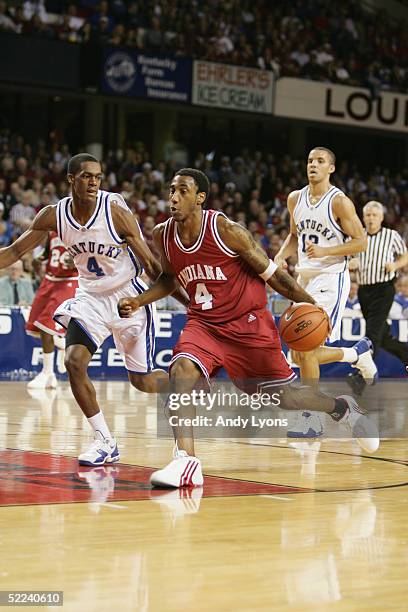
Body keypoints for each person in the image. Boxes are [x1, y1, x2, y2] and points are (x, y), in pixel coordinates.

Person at [118, 168, 379, 488]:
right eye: (172, 190)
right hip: (205, 324)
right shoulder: (163, 234)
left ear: (200, 198)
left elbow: (275, 277)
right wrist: (140, 299)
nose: (173, 197)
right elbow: (169, 279)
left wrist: (310, 305)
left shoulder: (227, 231)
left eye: (183, 191)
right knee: (182, 371)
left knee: (287, 399)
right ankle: (186, 462)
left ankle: (341, 408)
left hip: (249, 326)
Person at [0, 153, 187, 466]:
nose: (93, 182)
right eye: (86, 176)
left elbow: (153, 266)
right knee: (73, 361)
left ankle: (185, 389)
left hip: (129, 295)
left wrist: (190, 305)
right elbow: (16, 251)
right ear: (71, 179)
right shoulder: (54, 214)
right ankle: (105, 441)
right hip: (90, 298)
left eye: (98, 177)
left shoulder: (114, 210)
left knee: (142, 382)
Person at [274, 147, 377, 438]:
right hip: (303, 278)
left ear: (331, 168)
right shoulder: (295, 198)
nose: (313, 166)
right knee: (297, 353)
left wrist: (326, 251)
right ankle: (355, 354)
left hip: (332, 277)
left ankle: (311, 417)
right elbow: (294, 236)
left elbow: (361, 243)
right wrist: (280, 257)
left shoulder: (339, 202)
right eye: (309, 161)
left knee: (305, 350)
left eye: (320, 161)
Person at [348, 201, 408, 393]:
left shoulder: (391, 235)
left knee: (373, 331)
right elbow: (348, 260)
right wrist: (352, 262)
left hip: (384, 288)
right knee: (382, 334)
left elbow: (405, 256)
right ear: (363, 217)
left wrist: (396, 266)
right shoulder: (358, 237)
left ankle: (361, 377)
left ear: (381, 217)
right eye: (368, 215)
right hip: (364, 289)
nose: (371, 218)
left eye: (375, 215)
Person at [26, 231, 79, 389]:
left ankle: (47, 373)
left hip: (69, 281)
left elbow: (94, 259)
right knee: (35, 326)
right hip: (49, 280)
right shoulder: (52, 232)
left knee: (45, 326)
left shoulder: (82, 232)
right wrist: (39, 259)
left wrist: (76, 263)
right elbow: (47, 253)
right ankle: (61, 342)